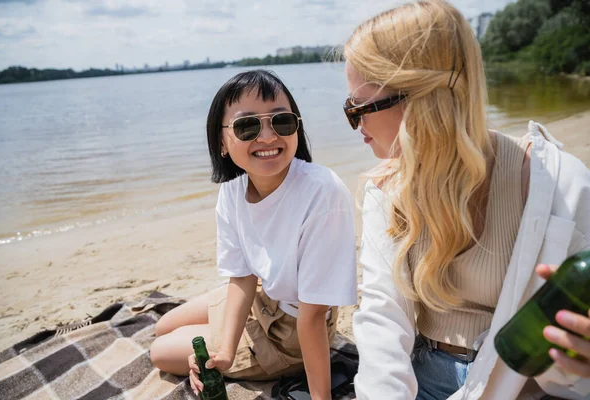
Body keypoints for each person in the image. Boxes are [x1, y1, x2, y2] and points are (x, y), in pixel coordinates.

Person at [342, 1, 590, 399]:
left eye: (357, 107)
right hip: (423, 377)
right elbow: (383, 319)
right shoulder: (385, 189)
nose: (354, 123)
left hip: (523, 386)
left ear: (416, 100)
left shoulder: (556, 184)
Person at [150, 69, 357, 399]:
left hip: (290, 328)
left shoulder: (323, 192)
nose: (267, 137)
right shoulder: (232, 193)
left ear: (297, 128)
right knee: (162, 326)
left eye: (281, 121)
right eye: (247, 126)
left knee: (159, 352)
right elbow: (243, 276)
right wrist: (227, 351)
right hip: (263, 294)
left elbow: (314, 314)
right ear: (221, 141)